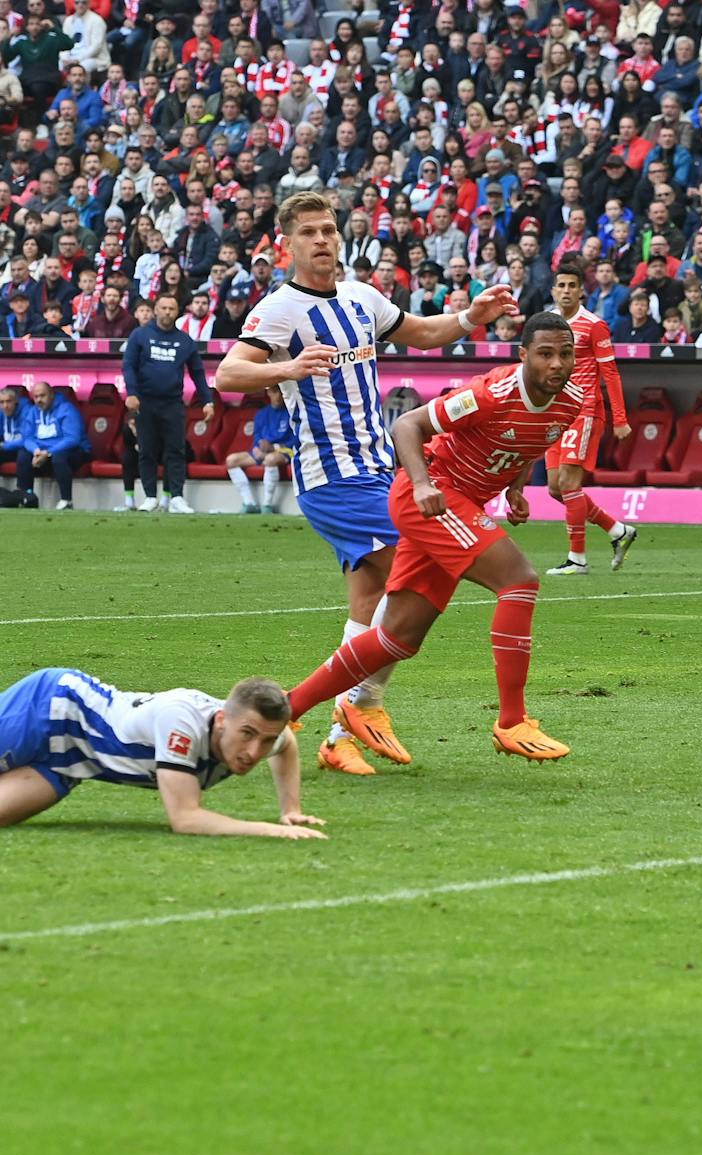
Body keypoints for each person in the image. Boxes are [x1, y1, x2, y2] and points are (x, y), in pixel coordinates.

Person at [212, 191, 519, 778]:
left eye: (329, 229)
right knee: (424, 567)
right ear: (288, 244)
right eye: (309, 232)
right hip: (333, 478)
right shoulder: (279, 309)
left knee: (371, 601)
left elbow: (421, 332)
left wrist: (469, 318)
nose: (322, 240)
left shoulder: (361, 297)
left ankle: (335, 736)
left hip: (380, 468)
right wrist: (287, 367)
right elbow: (229, 371)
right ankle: (364, 703)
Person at [281, 312, 584, 762]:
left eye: (565, 354)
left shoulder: (570, 401)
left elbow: (532, 439)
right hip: (432, 497)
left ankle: (289, 708)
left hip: (459, 504)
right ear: (523, 356)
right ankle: (512, 722)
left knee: (398, 638)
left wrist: (517, 487)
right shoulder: (489, 393)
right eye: (545, 354)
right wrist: (423, 484)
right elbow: (407, 427)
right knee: (519, 579)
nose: (556, 364)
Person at [0, 670, 322, 840]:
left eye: (266, 740)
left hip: (71, 763)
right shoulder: (182, 723)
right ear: (222, 720)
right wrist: (274, 831)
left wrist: (290, 810)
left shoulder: (259, 733)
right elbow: (185, 819)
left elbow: (288, 743)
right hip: (52, 709)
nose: (254, 752)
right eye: (248, 735)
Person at [543, 258, 637, 577]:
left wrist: (619, 418)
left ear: (582, 291)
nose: (567, 291)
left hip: (583, 410)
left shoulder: (594, 325)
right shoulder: (547, 324)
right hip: (553, 412)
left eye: (573, 286)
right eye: (562, 286)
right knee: (555, 488)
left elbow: (610, 372)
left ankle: (577, 559)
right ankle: (617, 530)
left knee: (569, 482)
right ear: (554, 290)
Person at [121, 291, 215, 515]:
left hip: (173, 403)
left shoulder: (184, 341)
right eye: (163, 308)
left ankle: (177, 497)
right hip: (145, 402)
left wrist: (207, 401)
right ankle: (150, 497)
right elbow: (128, 366)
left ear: (177, 312)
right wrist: (131, 393)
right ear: (155, 310)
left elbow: (198, 374)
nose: (167, 312)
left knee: (176, 451)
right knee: (147, 450)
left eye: (171, 308)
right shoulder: (139, 335)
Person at [225, 384, 293, 514]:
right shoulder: (262, 414)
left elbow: (294, 441)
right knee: (231, 460)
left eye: (280, 392)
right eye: (274, 392)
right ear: (269, 393)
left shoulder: (291, 413)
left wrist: (274, 447)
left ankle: (267, 505)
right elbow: (257, 436)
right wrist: (258, 449)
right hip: (263, 452)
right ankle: (249, 502)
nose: (278, 396)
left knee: (270, 459)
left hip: (285, 451)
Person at [19, 382, 87, 510]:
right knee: (23, 456)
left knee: (59, 458)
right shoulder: (33, 411)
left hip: (73, 451)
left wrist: (48, 452)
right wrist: (36, 451)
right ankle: (26, 497)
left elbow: (72, 439)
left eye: (42, 396)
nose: (39, 400)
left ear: (51, 395)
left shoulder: (66, 409)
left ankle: (66, 500)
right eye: (36, 397)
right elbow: (27, 438)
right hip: (43, 453)